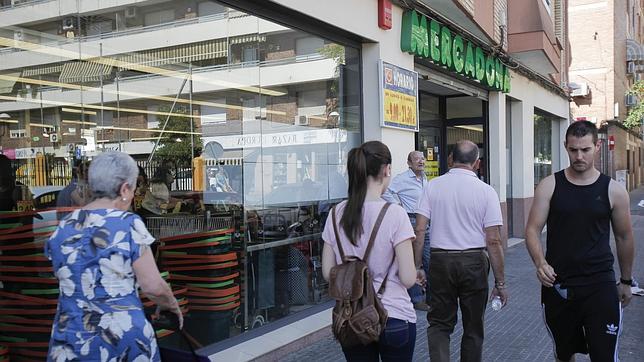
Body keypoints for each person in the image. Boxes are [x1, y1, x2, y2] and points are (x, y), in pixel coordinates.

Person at [45, 152, 182, 362]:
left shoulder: (64, 227)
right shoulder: (128, 223)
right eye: (134, 187)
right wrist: (171, 306)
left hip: (71, 340)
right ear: (124, 189)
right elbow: (152, 285)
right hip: (123, 338)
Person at [525, 120, 635, 362]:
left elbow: (624, 236)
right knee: (564, 355)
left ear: (597, 146)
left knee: (604, 356)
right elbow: (532, 230)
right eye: (573, 150)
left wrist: (626, 281)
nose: (579, 156)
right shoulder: (549, 186)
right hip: (559, 285)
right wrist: (540, 262)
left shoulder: (613, 190)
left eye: (585, 149)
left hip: (600, 284)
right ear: (566, 147)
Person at [321, 141, 419, 361]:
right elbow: (408, 278)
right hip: (394, 316)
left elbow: (328, 272)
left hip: (352, 318)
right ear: (386, 170)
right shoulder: (396, 214)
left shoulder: (336, 213)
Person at [414, 140, 507, 362]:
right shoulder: (487, 192)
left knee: (438, 324)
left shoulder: (432, 186)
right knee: (474, 327)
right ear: (477, 163)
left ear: (449, 159)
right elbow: (493, 241)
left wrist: (417, 266)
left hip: (440, 262)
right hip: (474, 262)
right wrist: (500, 283)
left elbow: (419, 229)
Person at [382, 151, 431, 310]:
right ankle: (416, 299)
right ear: (409, 163)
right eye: (417, 159)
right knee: (412, 260)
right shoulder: (402, 179)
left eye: (422, 158)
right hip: (411, 221)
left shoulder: (424, 178)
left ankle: (431, 296)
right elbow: (387, 192)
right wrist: (398, 206)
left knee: (429, 259)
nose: (421, 161)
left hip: (426, 222)